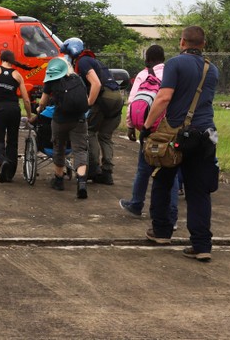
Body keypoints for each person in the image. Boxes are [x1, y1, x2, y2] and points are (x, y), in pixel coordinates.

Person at [142, 25, 220, 262]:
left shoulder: (175, 64)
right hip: (206, 134)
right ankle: (201, 245)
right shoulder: (212, 69)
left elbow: (164, 97)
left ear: (182, 42)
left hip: (177, 135)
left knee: (163, 180)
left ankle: (162, 232)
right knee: (199, 190)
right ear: (203, 44)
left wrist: (147, 125)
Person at [119, 45, 180, 226]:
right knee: (170, 170)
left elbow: (133, 102)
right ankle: (171, 216)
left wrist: (131, 127)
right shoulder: (173, 73)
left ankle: (136, 205)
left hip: (148, 128)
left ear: (147, 59)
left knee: (143, 168)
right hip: (169, 128)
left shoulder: (143, 75)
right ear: (164, 58)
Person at [61, 37, 123, 185]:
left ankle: (93, 170)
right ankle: (107, 173)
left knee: (90, 132)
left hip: (103, 97)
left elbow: (96, 83)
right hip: (117, 98)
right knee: (105, 136)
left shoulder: (83, 62)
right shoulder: (95, 61)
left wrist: (88, 104)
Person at [30, 57, 89, 198]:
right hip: (79, 119)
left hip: (60, 120)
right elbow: (84, 98)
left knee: (59, 147)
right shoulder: (77, 79)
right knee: (80, 150)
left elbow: (43, 101)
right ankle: (81, 183)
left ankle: (58, 179)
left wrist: (39, 109)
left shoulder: (51, 80)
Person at [0, 50, 33, 183]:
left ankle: (3, 161)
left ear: (1, 59)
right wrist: (29, 115)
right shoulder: (18, 75)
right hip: (13, 110)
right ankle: (9, 175)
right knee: (12, 142)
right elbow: (25, 99)